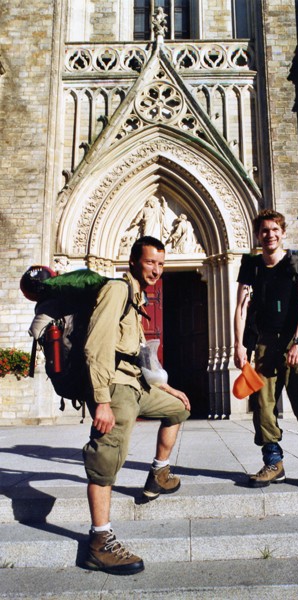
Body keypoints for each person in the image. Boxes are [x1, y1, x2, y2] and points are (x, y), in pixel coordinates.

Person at [82, 236, 191, 575]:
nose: (156, 270)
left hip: (139, 383)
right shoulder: (117, 290)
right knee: (107, 458)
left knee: (178, 408)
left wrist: (166, 386)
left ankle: (158, 473)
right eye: (150, 263)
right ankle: (100, 542)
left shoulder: (138, 297)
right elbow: (95, 345)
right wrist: (101, 401)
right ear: (133, 262)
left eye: (161, 264)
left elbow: (141, 355)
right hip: (116, 387)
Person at [234, 209, 298, 493]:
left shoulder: (296, 262)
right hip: (265, 345)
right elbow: (240, 307)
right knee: (263, 406)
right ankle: (274, 463)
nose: (270, 234)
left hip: (296, 341)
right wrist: (239, 345)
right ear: (258, 235)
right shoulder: (251, 266)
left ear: (282, 232)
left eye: (275, 230)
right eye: (265, 230)